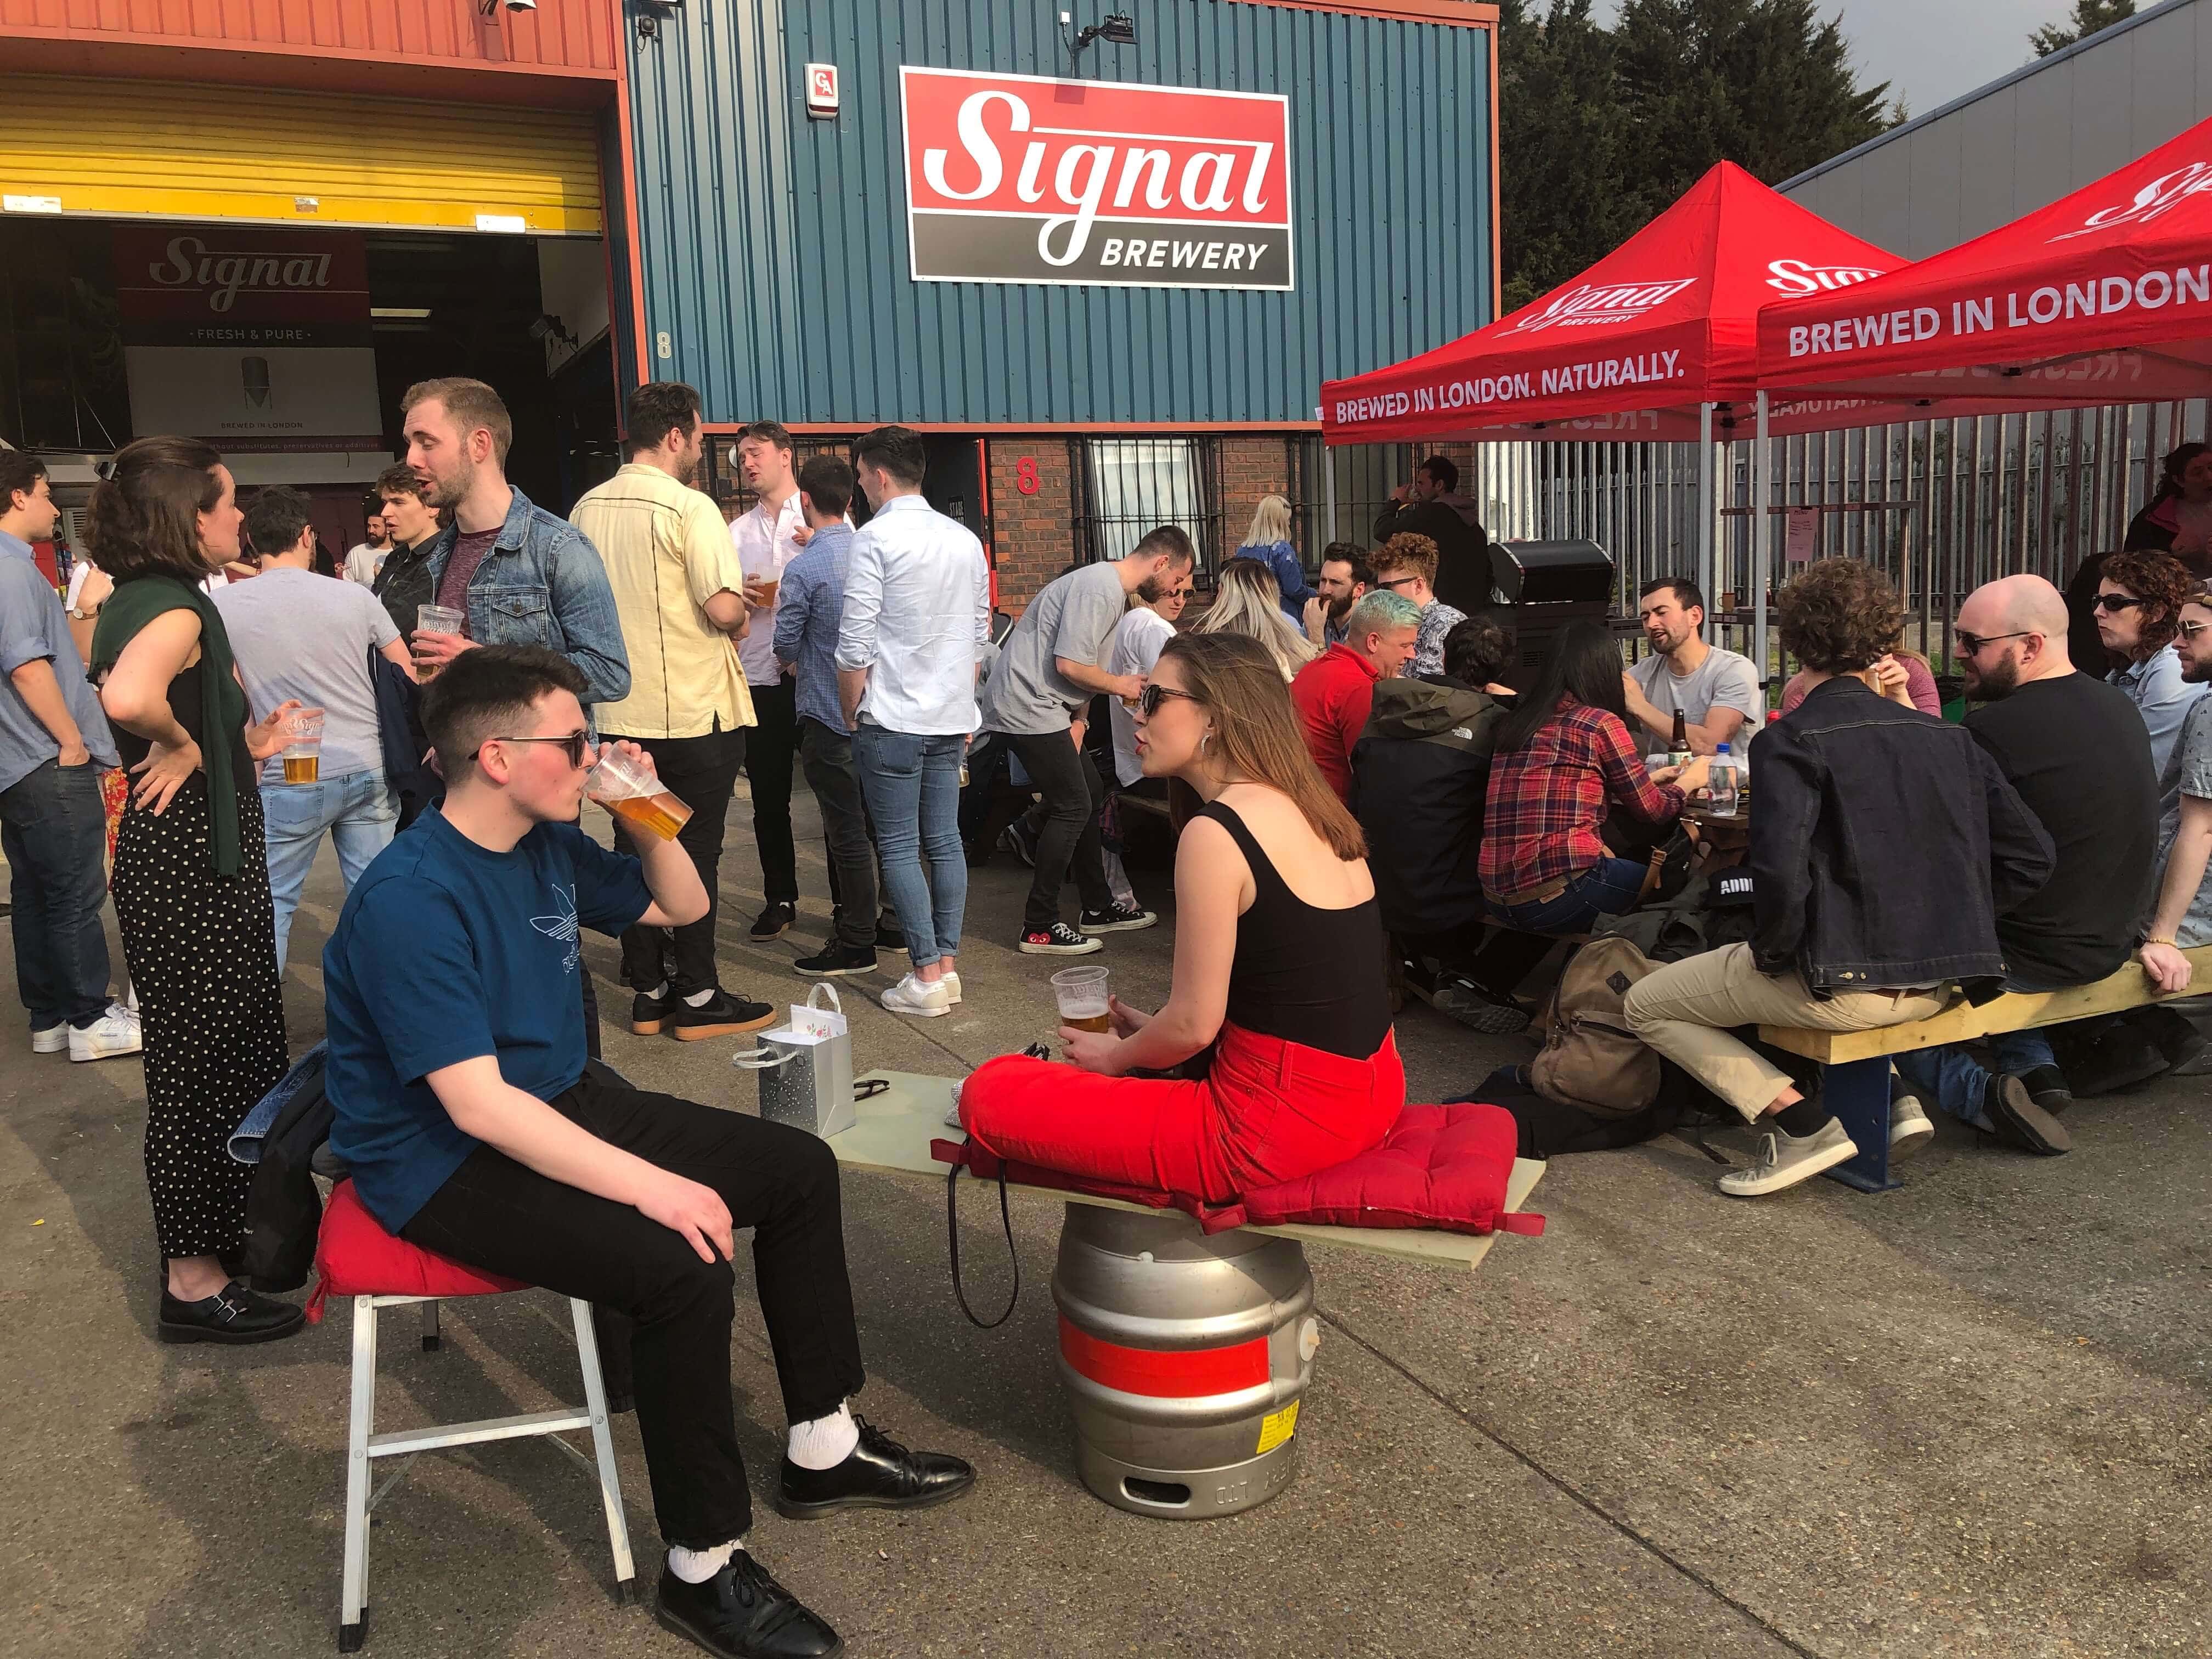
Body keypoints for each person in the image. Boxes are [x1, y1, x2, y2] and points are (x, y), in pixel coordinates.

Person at [321, 645, 972, 1659]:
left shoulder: (541, 839)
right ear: (496, 754)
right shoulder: (412, 892)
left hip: (558, 1099)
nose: (594, 755)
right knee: (678, 1264)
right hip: (435, 1154)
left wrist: (646, 809)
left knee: (796, 1170)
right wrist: (658, 1187)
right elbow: (477, 1105)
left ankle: (822, 1439)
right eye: (575, 741)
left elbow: (681, 906)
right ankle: (703, 1565)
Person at [1623, 558, 2056, 1195]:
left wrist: (1773, 954)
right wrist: (1956, 921)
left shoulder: (1791, 740)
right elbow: (2032, 858)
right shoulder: (1948, 738)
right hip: (1942, 976)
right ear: (1883, 636)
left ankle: (1804, 1125)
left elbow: (1780, 877)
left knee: (1648, 1003)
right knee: (1777, 962)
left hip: (1844, 983)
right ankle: (1894, 1100)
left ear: (1796, 641)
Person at [958, 632, 1403, 1201]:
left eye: (1152, 699)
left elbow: (1195, 1024)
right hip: (1371, 1098)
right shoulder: (1315, 809)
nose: (1133, 713)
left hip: (1272, 1129)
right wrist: (1155, 1038)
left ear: (1214, 716)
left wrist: (1115, 1060)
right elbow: (1297, 992)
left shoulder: (1216, 832)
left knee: (991, 1092)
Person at [89, 437, 306, 1341]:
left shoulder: (144, 598)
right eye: (224, 503)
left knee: (218, 1058)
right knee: (197, 1069)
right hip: (186, 868)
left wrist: (242, 748)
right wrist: (178, 743)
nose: (237, 519)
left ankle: (220, 1250)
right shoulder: (175, 606)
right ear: (188, 514)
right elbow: (131, 699)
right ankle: (191, 1277)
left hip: (183, 857)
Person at [1891, 574, 2162, 1132]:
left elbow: (1932, 844)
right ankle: (2034, 1068)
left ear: (2031, 645)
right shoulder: (2116, 704)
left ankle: (1979, 1095)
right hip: (2112, 935)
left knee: (1854, 993)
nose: (1959, 655)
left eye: (1974, 643)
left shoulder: (1996, 727)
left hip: (2035, 953)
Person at [569, 381, 776, 1040]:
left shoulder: (584, 509)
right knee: (695, 853)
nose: (701, 448)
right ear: (678, 436)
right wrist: (743, 610)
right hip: (691, 715)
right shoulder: (690, 507)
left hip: (616, 719)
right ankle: (699, 991)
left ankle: (649, 990)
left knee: (635, 849)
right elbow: (720, 608)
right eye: (700, 435)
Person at [215, 484, 415, 971]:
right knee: (378, 901)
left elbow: (230, 692)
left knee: (274, 902)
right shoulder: (355, 597)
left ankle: (257, 1029)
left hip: (291, 770)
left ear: (251, 540)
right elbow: (407, 672)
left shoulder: (223, 608)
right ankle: (389, 1012)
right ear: (307, 536)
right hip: (367, 766)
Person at [837, 426, 992, 1017]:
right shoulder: (963, 540)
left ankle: (926, 974)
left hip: (894, 714)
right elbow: (979, 633)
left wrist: (854, 709)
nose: (861, 489)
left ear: (877, 475)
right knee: (944, 841)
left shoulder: (873, 538)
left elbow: (854, 645)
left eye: (861, 478)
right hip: (951, 715)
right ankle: (944, 967)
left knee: (899, 846)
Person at [977, 527, 1189, 956]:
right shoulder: (1099, 589)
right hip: (1027, 705)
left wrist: (1081, 721)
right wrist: (1122, 686)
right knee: (1073, 804)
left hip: (1046, 706)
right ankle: (1039, 925)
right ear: (1161, 563)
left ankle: (1097, 907)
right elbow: (1071, 665)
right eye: (1178, 580)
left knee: (1089, 792)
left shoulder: (1108, 589)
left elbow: (1085, 665)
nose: (1178, 591)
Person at [1, 449, 136, 1062]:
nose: (56, 507)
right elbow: (28, 666)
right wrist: (72, 740)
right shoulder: (10, 571)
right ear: (19, 496)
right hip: (44, 758)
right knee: (75, 894)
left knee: (36, 893)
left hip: (19, 761)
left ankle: (51, 1015)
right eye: (48, 492)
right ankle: (89, 1016)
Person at [1351, 614, 1542, 1031]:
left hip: (1373, 885)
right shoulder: (1495, 723)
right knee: (1550, 885)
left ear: (1443, 655)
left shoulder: (1384, 706)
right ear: (1500, 670)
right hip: (1445, 894)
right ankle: (1473, 978)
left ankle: (1429, 966)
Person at [400, 377, 630, 711]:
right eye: (409, 443)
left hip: (530, 760)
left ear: (480, 445)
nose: (411, 459)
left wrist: (485, 663)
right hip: (456, 760)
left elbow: (611, 676)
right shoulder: (440, 553)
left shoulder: (559, 548)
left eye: (427, 443)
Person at [1480, 622, 1707, 938]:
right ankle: (1638, 979)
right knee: (1682, 882)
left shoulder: (1518, 723)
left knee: (1573, 888)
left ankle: (1476, 982)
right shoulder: (1599, 723)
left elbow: (1561, 784)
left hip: (1497, 894)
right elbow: (1654, 811)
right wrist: (1691, 780)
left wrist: (1649, 779)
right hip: (1561, 894)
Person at [776, 453, 899, 977]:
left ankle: (856, 938)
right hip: (884, 713)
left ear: (805, 500)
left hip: (829, 714)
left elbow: (783, 642)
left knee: (844, 832)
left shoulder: (804, 568)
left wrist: (799, 659)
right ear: (851, 500)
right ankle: (893, 921)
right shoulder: (878, 554)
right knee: (886, 827)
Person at [729, 423, 813, 941]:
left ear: (786, 455)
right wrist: (735, 594)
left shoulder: (827, 522)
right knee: (767, 796)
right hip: (760, 674)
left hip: (815, 678)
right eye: (741, 458)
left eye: (756, 453)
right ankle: (779, 896)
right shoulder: (735, 533)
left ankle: (852, 902)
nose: (747, 464)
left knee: (837, 795)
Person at [2140, 582, 2212, 990]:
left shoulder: (2210, 706)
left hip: (2190, 922)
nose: (2176, 643)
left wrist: (2163, 934)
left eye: (2192, 630)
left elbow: (2201, 827)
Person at [1289, 589, 1419, 803]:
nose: (1412, 654)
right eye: (1405, 645)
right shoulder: (1359, 689)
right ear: (1373, 642)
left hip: (1303, 806)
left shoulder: (1314, 669)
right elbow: (1374, 779)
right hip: (1333, 817)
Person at [2092, 550, 2206, 786]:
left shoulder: (2172, 668)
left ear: (2155, 613)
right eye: (2098, 601)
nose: (2098, 612)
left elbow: (2141, 769)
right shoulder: (2129, 666)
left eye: (2114, 603)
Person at [1621, 576, 1763, 758]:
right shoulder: (1643, 673)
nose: (1651, 624)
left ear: (1694, 616)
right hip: (1662, 784)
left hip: (1722, 783)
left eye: (1661, 613)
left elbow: (1711, 746)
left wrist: (1640, 707)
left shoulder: (1733, 670)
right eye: (1645, 617)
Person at [1105, 555, 1193, 797]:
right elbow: (1182, 697)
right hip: (1157, 768)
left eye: (1188, 594)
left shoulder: (1125, 623)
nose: (1180, 601)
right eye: (1173, 591)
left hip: (1131, 763)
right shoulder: (1155, 629)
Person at [1370, 453, 1491, 613]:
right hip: (1472, 609)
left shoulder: (1432, 514)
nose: (1417, 489)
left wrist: (1395, 501)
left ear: (1439, 485)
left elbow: (1382, 530)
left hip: (1440, 607)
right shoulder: (1472, 522)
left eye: (1421, 483)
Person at [1192, 554, 1317, 681]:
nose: (1216, 598)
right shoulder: (1296, 647)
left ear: (1228, 599)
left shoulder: (1210, 652)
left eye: (1219, 591)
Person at [1370, 533, 1467, 679]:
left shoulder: (1448, 623)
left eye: (1388, 587)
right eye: (1378, 587)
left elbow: (1431, 689)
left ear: (1418, 585)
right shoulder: (1385, 621)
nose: (1382, 595)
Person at [369, 462, 443, 645]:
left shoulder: (442, 561)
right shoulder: (396, 557)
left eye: (398, 502)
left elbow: (391, 628)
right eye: (386, 502)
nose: (385, 513)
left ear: (433, 506)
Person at [1233, 493, 1313, 624]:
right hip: (1282, 617)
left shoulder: (1243, 549)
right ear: (1280, 522)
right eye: (1287, 520)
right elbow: (1294, 589)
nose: (1288, 524)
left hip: (1251, 616)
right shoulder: (1282, 549)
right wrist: (1315, 595)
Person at [1302, 543, 1374, 651]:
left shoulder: (1369, 627)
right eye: (1323, 580)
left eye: (1335, 583)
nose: (1326, 590)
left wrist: (1317, 638)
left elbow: (1340, 669)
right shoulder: (1318, 618)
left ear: (1358, 590)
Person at [342, 505, 393, 588]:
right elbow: (348, 586)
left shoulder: (399, 554)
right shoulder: (356, 553)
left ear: (388, 529)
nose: (371, 531)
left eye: (376, 527)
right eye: (369, 526)